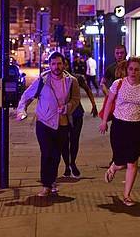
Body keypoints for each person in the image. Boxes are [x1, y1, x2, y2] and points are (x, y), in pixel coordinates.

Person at [16, 51, 81, 197]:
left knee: (56, 154)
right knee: (46, 153)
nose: (56, 67)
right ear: (49, 65)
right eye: (53, 64)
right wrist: (21, 111)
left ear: (64, 64)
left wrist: (67, 108)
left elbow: (76, 100)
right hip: (44, 122)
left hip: (62, 123)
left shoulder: (71, 81)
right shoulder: (42, 80)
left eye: (59, 63)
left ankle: (52, 182)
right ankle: (46, 185)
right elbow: (27, 96)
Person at [98, 57, 140, 207]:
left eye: (136, 69)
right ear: (127, 70)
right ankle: (114, 166)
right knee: (121, 162)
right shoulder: (118, 84)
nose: (133, 72)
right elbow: (109, 102)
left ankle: (127, 196)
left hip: (136, 127)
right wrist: (104, 121)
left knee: (132, 161)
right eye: (131, 69)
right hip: (119, 125)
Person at [61, 70, 98, 177]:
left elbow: (87, 89)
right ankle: (67, 165)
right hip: (63, 114)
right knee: (64, 141)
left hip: (77, 113)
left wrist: (94, 105)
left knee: (74, 139)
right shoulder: (55, 80)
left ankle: (72, 163)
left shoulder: (76, 79)